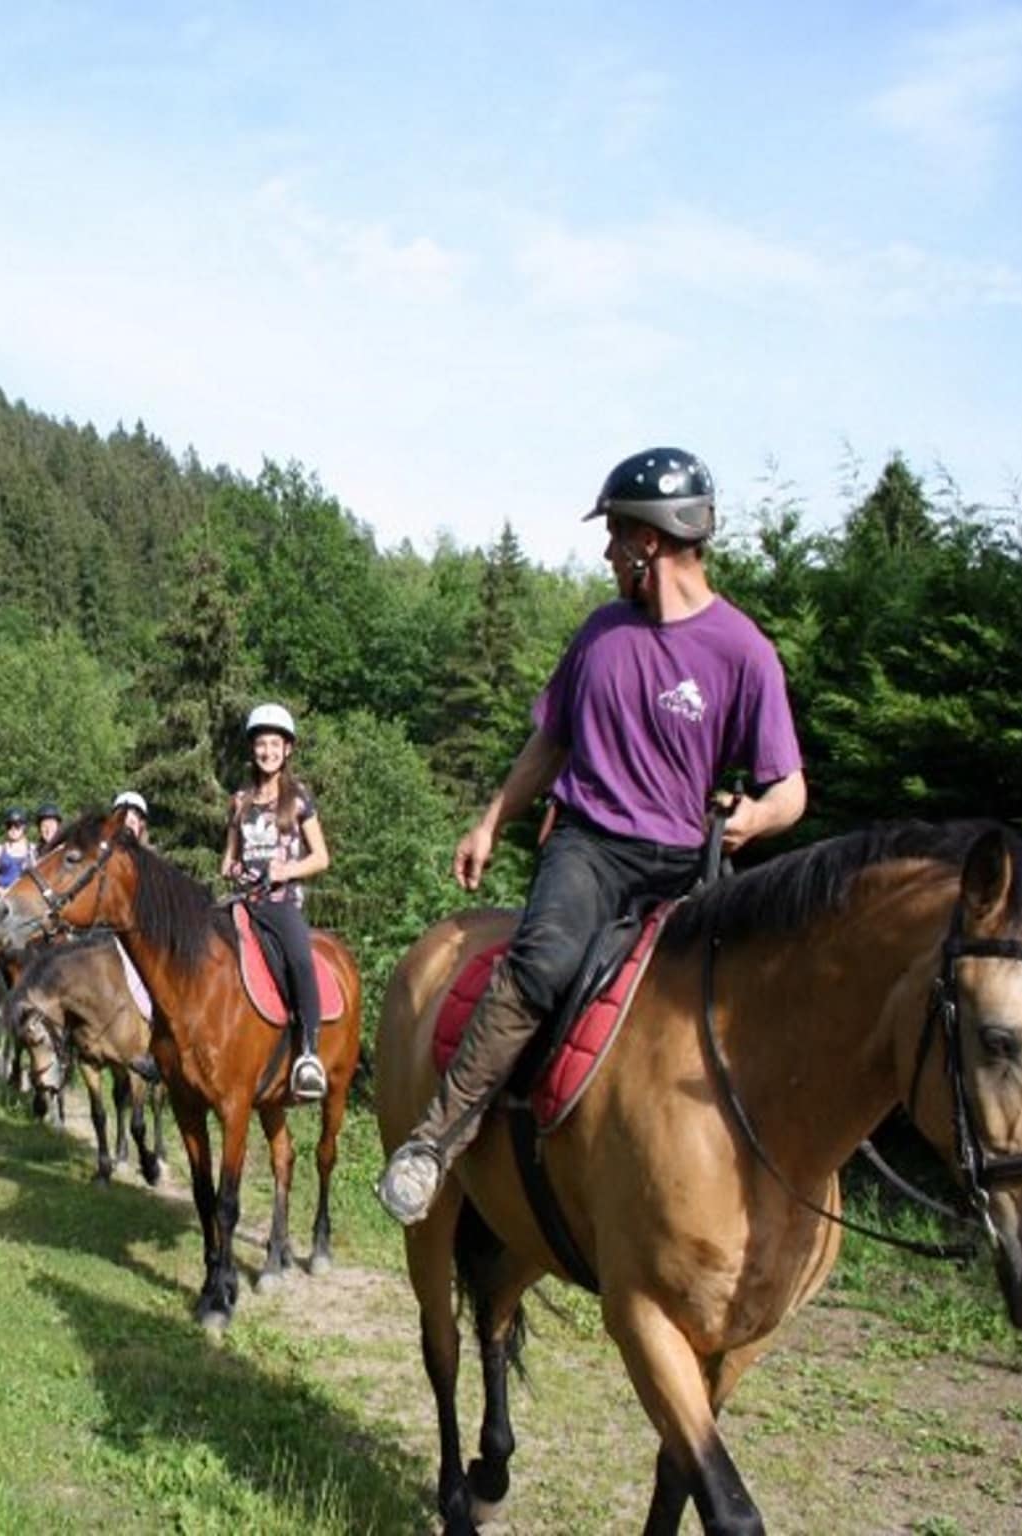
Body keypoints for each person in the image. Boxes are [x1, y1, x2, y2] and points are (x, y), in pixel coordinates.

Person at [376, 447, 808, 1225]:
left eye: (615, 537)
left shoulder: (744, 653)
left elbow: (791, 791)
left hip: (685, 861)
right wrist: (489, 821)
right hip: (590, 846)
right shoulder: (600, 635)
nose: (607, 554)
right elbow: (549, 745)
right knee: (541, 963)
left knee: (745, 990)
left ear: (650, 544)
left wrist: (753, 819)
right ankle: (436, 1139)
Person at [222, 704, 332, 1103]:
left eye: (274, 743)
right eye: (261, 743)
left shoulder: (299, 799)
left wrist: (285, 871)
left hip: (282, 903)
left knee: (301, 960)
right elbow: (227, 859)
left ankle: (309, 1053)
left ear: (287, 750)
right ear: (252, 750)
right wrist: (234, 869)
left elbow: (321, 857)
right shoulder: (240, 801)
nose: (267, 751)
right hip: (243, 901)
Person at [0, 808, 36, 989]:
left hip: (27, 902)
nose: (13, 829)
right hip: (3, 900)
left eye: (17, 825)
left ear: (24, 827)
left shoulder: (32, 850)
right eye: (10, 825)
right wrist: (4, 892)